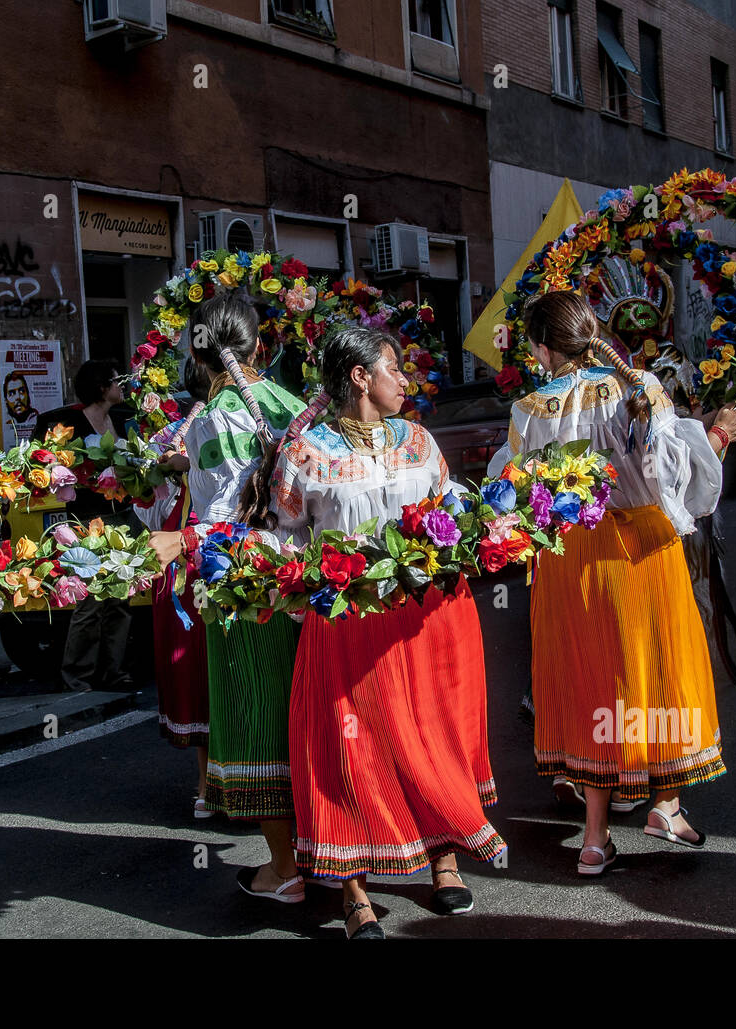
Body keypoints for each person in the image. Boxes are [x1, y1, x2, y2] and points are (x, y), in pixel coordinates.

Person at [486, 291, 736, 875]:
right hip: (643, 546)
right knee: (658, 672)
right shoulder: (638, 385)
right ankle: (665, 805)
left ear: (541, 347)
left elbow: (515, 492)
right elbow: (673, 477)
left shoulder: (529, 410)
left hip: (571, 556)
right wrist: (720, 438)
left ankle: (594, 840)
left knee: (590, 681)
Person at [270, 327, 506, 939]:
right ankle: (353, 889)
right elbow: (287, 536)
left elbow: (448, 509)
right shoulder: (304, 454)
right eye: (393, 369)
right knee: (351, 746)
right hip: (346, 624)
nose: (405, 380)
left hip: (422, 621)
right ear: (358, 377)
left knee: (430, 736)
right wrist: (292, 585)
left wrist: (494, 521)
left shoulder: (419, 441)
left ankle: (444, 857)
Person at [149, 295, 307, 905]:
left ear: (196, 353)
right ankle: (332, 855)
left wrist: (182, 538)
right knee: (298, 708)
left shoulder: (210, 418)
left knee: (254, 713)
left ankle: (283, 867)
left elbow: (219, 519)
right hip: (301, 579)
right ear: (258, 347)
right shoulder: (289, 405)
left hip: (241, 588)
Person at [136, 359, 212, 816]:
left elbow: (147, 511)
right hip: (190, 553)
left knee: (205, 668)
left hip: (199, 549)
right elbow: (149, 505)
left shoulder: (231, 422)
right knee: (204, 667)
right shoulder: (177, 433)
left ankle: (212, 784)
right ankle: (215, 782)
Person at [33, 361, 137, 693]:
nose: (122, 387)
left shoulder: (120, 418)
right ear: (102, 387)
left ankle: (112, 671)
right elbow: (46, 466)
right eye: (116, 381)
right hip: (85, 519)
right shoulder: (67, 423)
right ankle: (77, 675)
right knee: (91, 599)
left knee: (119, 598)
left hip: (122, 517)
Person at [3, 371, 39, 444]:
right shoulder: (5, 422)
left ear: (27, 394)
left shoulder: (39, 419)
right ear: (6, 400)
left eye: (22, 391)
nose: (18, 397)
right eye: (11, 393)